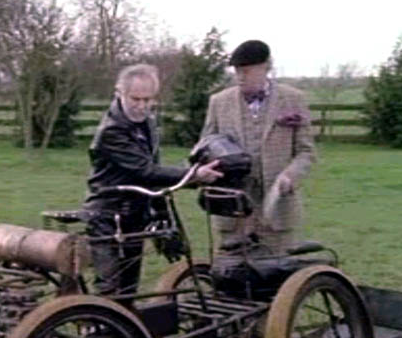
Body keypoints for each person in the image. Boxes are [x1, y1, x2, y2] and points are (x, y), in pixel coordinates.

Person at [83, 63, 222, 306]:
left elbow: (152, 169)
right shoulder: (111, 131)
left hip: (135, 211)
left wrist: (160, 212)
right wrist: (195, 175)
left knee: (129, 285)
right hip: (106, 214)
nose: (142, 106)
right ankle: (101, 332)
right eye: (135, 99)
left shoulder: (146, 123)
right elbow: (145, 171)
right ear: (119, 93)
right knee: (109, 287)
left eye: (148, 100)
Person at [200, 40, 316, 255]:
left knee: (275, 275)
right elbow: (205, 146)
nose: (240, 77)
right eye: (237, 71)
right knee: (232, 275)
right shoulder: (219, 102)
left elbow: (306, 151)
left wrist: (290, 176)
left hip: (277, 209)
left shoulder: (293, 99)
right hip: (233, 210)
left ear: (266, 67)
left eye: (246, 71)